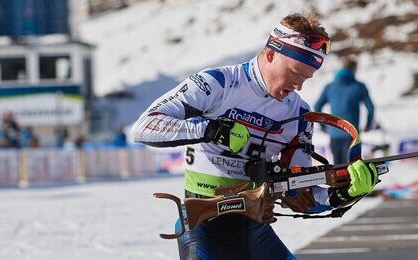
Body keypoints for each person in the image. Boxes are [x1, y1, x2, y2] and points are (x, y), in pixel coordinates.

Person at [131, 13, 380, 260]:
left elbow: (301, 195)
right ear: (271, 54)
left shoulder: (299, 113)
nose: (299, 86)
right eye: (295, 72)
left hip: (253, 227)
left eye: (306, 77)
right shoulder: (217, 84)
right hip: (202, 223)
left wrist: (344, 194)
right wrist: (212, 130)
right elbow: (143, 126)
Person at [314, 57, 374, 164]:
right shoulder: (359, 86)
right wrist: (368, 125)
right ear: (354, 69)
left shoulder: (330, 87)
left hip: (334, 134)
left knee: (338, 169)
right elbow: (371, 108)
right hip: (352, 134)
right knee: (353, 168)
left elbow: (317, 107)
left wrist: (324, 127)